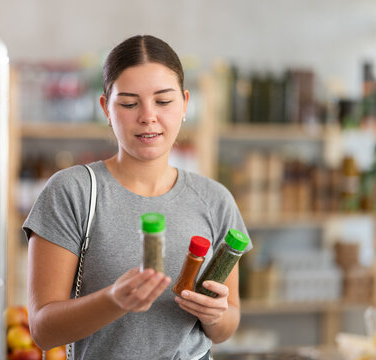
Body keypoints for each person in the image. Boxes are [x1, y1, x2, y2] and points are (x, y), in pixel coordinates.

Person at [23, 34, 252, 360]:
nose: (147, 116)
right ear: (106, 108)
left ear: (185, 104)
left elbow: (228, 323)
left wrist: (213, 314)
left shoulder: (215, 199)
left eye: (163, 101)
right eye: (129, 103)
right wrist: (114, 299)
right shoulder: (73, 192)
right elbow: (43, 330)